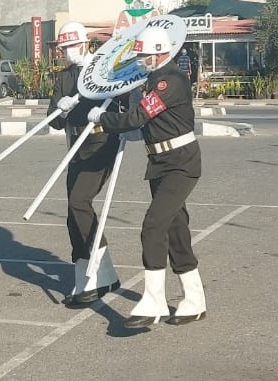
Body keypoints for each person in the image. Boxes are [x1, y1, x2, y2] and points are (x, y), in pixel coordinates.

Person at [90, 26, 206, 327]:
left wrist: (101, 118)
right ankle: (194, 298)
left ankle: (153, 300)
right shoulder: (154, 79)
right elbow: (140, 119)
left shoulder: (170, 80)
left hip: (181, 164)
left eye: (144, 55)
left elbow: (137, 117)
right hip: (160, 162)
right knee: (176, 229)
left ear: (159, 54)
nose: (140, 60)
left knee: (153, 226)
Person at [48, 21, 122, 308]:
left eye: (72, 46)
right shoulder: (64, 79)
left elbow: (121, 101)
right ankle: (93, 273)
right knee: (73, 211)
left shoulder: (103, 70)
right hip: (75, 146)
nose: (68, 52)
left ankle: (98, 270)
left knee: (80, 202)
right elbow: (53, 121)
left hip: (101, 142)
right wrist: (62, 109)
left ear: (86, 44)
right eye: (63, 48)